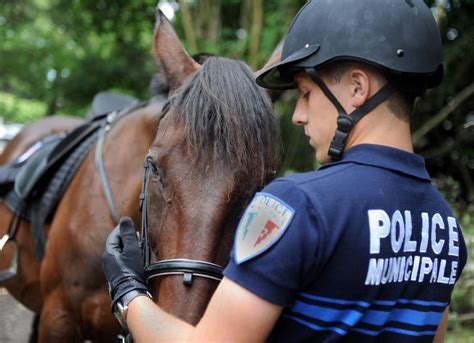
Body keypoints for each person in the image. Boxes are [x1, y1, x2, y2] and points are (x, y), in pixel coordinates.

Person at [102, 0, 468, 341]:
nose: (298, 115)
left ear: (358, 88)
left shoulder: (294, 207)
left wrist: (127, 291)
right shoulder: (445, 227)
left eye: (307, 94)